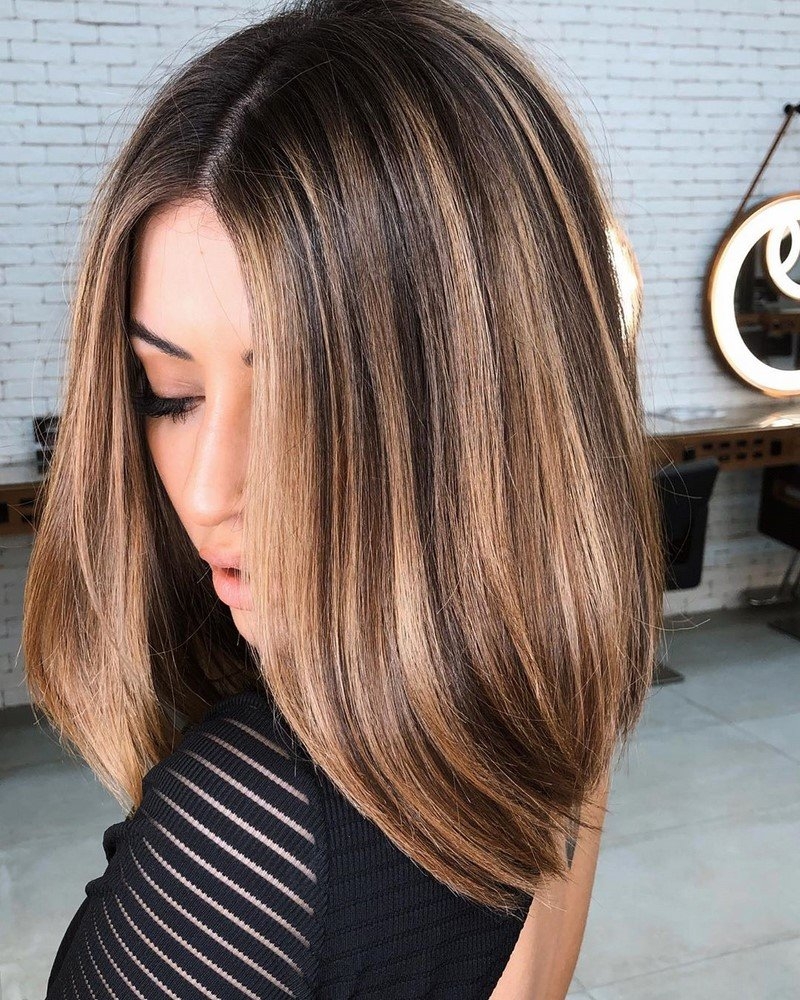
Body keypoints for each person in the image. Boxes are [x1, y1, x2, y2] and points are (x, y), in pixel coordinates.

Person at [22, 0, 664, 996]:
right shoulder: (547, 701)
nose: (207, 492)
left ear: (479, 407)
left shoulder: (256, 833)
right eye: (169, 394)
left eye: (300, 405)